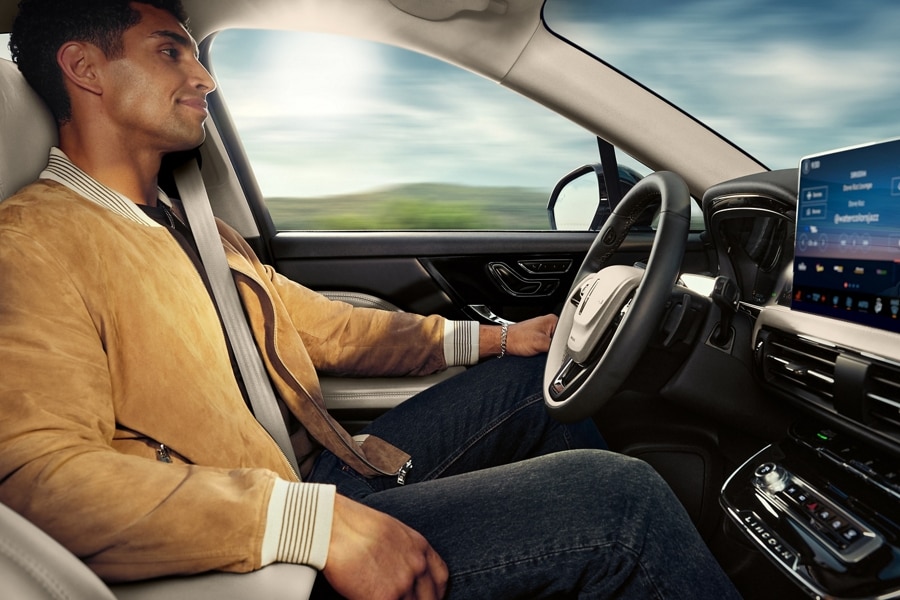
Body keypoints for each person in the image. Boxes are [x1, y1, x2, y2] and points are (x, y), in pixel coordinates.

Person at [0, 1, 742, 598]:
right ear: (84, 68)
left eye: (197, 52)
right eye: (171, 50)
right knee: (618, 502)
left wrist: (490, 340)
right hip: (244, 559)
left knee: (527, 384)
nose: (205, 77)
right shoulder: (29, 243)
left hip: (298, 478)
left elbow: (317, 326)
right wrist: (306, 525)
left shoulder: (188, 225)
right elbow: (37, 480)